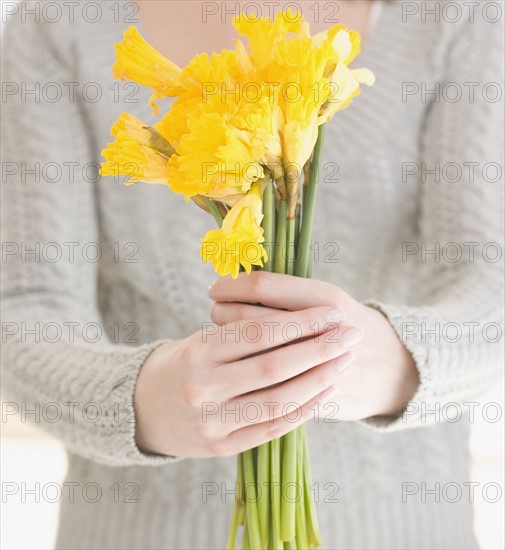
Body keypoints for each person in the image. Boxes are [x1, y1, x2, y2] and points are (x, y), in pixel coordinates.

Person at [1, 1, 503, 549]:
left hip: (408, 532)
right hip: (136, 533)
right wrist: (141, 400)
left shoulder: (456, 16)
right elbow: (24, 306)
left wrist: (395, 362)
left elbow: (490, 282)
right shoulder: (57, 20)